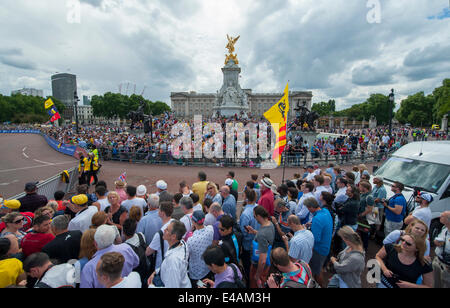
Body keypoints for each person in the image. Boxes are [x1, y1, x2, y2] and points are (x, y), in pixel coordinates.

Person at [148, 220, 191, 288]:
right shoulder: (182, 243)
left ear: (173, 237)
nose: (164, 230)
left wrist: (151, 286)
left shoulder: (173, 261)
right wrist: (156, 271)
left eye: (167, 230)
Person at [304, 197, 333, 287]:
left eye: (308, 208)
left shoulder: (317, 219)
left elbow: (315, 239)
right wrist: (313, 225)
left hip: (319, 249)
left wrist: (306, 231)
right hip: (326, 246)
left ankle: (320, 285)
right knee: (319, 269)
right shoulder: (325, 211)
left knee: (316, 272)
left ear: (311, 207)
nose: (308, 210)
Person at [246, 206, 275, 288]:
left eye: (254, 216)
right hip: (268, 261)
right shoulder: (270, 224)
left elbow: (262, 260)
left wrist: (257, 275)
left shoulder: (262, 234)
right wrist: (254, 232)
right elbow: (265, 237)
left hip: (258, 265)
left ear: (259, 216)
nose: (254, 218)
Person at [186, 210, 214, 285]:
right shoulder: (210, 229)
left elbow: (187, 255)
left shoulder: (191, 240)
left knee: (200, 285)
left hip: (196, 272)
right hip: (208, 267)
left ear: (194, 222)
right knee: (206, 284)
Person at [145, 201, 174, 271]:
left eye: (159, 209)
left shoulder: (160, 234)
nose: (158, 210)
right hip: (172, 262)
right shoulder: (175, 222)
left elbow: (148, 252)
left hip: (161, 267)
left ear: (162, 213)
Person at [239, 189, 259, 282]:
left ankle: (249, 281)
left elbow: (244, 231)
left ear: (246, 198)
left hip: (247, 244)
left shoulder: (246, 213)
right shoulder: (258, 207)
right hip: (257, 241)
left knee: (248, 266)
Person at [122, 218, 149, 287]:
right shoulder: (141, 235)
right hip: (146, 267)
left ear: (123, 232)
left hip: (135, 272)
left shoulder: (125, 247)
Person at [433, 211, 450, 288]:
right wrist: (436, 242)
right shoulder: (444, 228)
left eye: (442, 216)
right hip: (438, 261)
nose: (440, 217)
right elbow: (439, 238)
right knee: (435, 283)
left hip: (447, 266)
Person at [358, 181, 375, 250]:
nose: (359, 187)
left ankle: (365, 248)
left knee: (364, 234)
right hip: (361, 217)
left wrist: (361, 215)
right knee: (360, 233)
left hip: (365, 219)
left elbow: (370, 209)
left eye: (360, 186)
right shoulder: (362, 194)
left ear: (364, 188)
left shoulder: (369, 197)